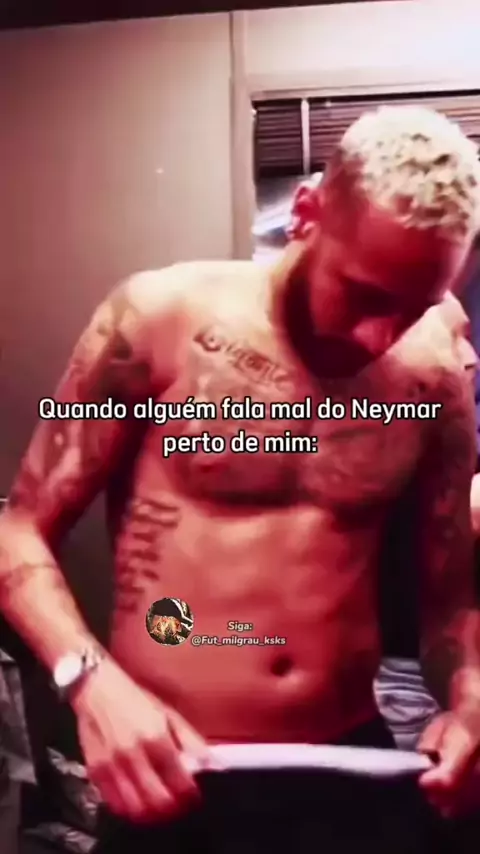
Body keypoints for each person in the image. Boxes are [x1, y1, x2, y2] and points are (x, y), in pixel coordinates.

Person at [1, 105, 480, 851]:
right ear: (306, 213)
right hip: (175, 769)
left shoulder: (433, 374)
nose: (379, 337)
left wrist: (471, 694)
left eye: (416, 308)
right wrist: (88, 682)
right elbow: (19, 528)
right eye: (364, 296)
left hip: (350, 768)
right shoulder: (158, 321)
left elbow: (449, 598)